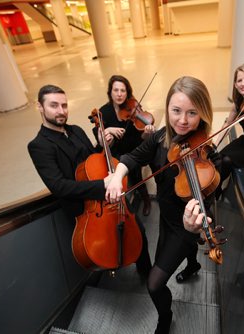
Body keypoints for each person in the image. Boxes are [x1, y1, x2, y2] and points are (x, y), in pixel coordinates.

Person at [105, 76, 220, 333]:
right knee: (173, 258)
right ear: (167, 109)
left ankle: (164, 318)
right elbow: (133, 157)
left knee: (155, 284)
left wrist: (199, 227)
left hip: (185, 227)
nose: (182, 120)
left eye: (192, 113)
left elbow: (208, 204)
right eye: (176, 111)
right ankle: (193, 265)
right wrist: (116, 176)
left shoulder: (208, 153)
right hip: (166, 217)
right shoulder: (159, 138)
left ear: (203, 114)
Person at [27, 84, 151, 277]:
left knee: (138, 231)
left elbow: (93, 160)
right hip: (88, 208)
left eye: (64, 105)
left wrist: (103, 145)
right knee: (102, 246)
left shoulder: (76, 130)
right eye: (54, 105)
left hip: (110, 196)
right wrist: (103, 184)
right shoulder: (39, 146)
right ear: (40, 107)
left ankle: (146, 272)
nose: (61, 111)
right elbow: (59, 186)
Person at [94, 75, 155, 216]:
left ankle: (146, 199)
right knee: (111, 173)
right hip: (114, 150)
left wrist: (147, 133)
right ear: (110, 92)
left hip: (132, 148)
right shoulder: (103, 112)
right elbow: (101, 141)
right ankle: (118, 203)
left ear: (127, 92)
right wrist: (108, 130)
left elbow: (141, 138)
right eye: (116, 90)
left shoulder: (133, 107)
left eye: (123, 90)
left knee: (135, 173)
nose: (120, 94)